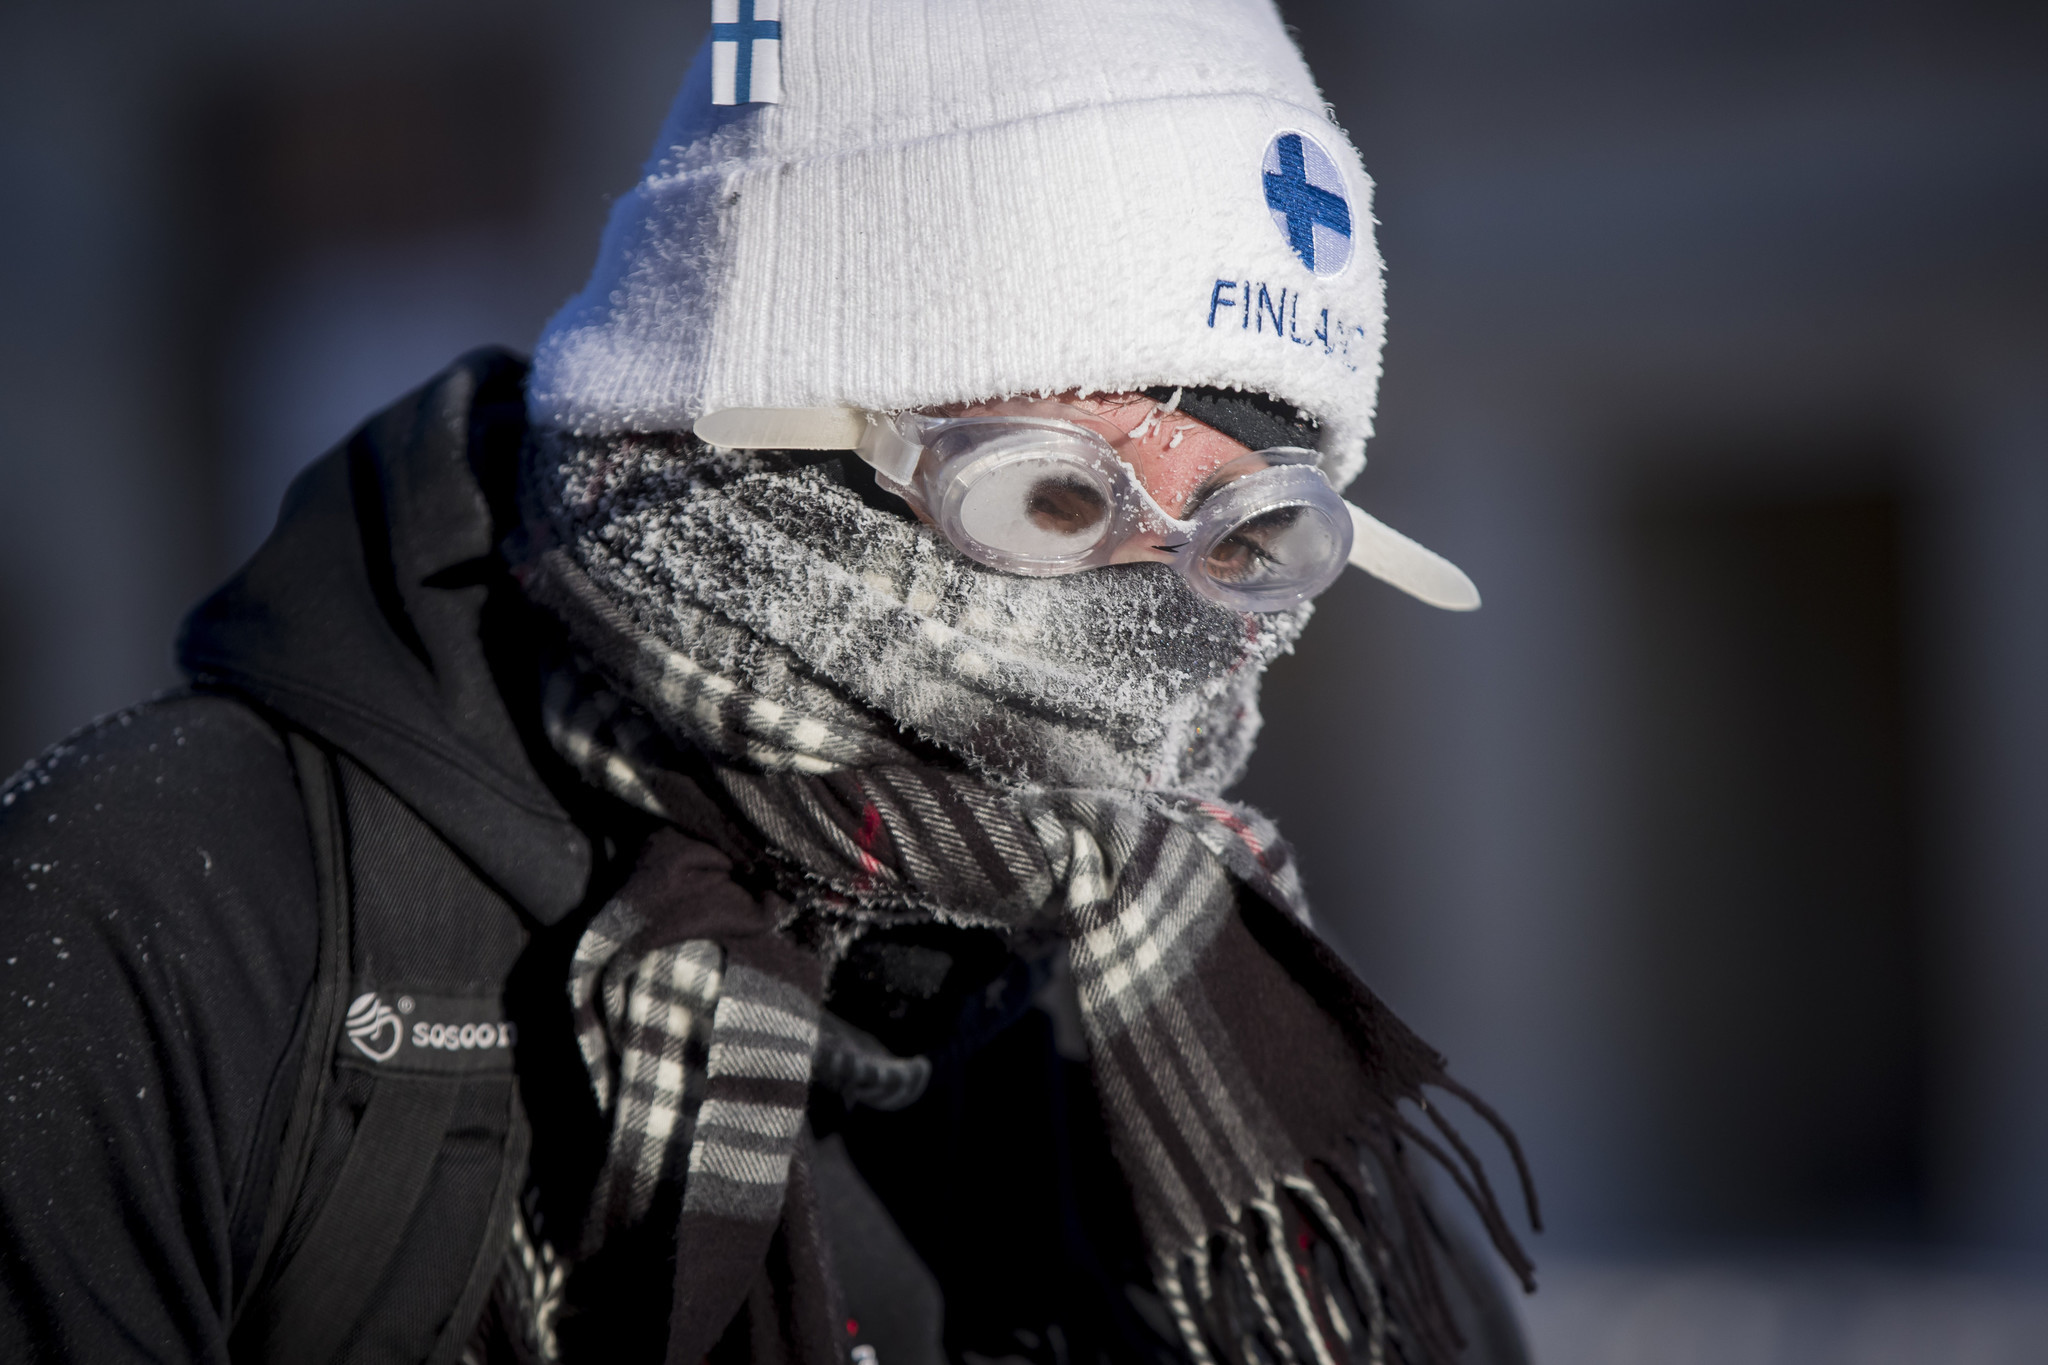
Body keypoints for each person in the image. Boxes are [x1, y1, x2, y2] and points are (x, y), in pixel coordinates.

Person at [0, 2, 1538, 1362]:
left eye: (1247, 532)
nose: (1141, 620)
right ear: (728, 429)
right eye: (1053, 499)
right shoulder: (163, 919)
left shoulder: (1207, 1009)